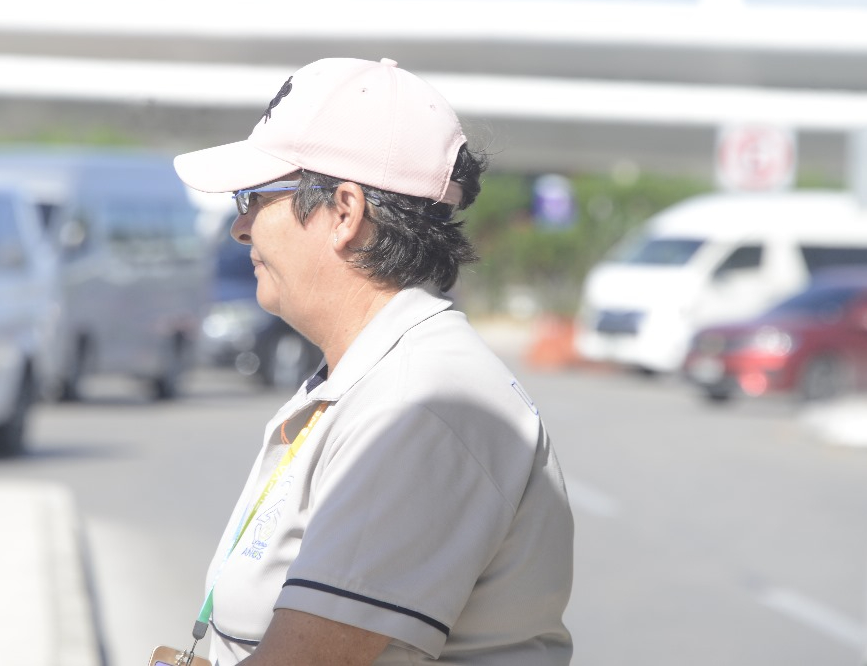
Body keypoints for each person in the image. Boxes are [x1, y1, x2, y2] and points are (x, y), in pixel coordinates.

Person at [172, 57, 574, 665]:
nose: (241, 227)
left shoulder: (419, 403)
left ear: (344, 212)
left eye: (253, 196)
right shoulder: (368, 377)